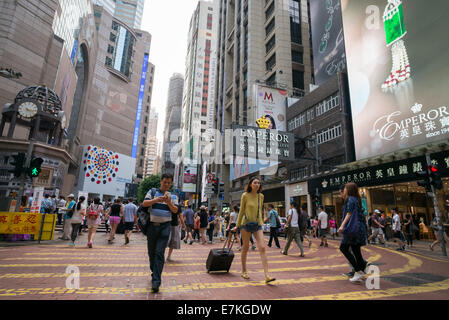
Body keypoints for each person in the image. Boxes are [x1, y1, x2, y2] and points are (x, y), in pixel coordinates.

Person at [231, 176, 275, 284]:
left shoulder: (261, 196)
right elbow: (241, 211)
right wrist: (237, 225)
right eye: (255, 182)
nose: (257, 184)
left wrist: (262, 223)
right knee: (245, 247)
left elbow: (259, 210)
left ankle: (266, 275)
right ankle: (244, 271)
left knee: (262, 248)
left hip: (257, 224)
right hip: (245, 225)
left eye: (259, 183)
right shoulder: (245, 195)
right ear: (250, 184)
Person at [141, 173, 179, 293]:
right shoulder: (152, 192)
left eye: (169, 183)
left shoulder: (173, 196)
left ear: (171, 183)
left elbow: (176, 210)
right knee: (151, 253)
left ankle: (156, 281)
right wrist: (156, 200)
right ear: (161, 182)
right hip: (152, 227)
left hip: (165, 227)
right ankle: (154, 272)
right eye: (165, 182)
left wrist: (168, 202)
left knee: (159, 252)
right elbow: (144, 204)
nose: (166, 184)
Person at [338, 182, 368, 283]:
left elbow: (349, 213)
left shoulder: (350, 199)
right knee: (356, 251)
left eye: (345, 188)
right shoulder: (355, 199)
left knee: (344, 248)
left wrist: (342, 225)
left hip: (353, 228)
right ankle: (361, 272)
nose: (344, 190)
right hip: (358, 228)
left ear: (349, 190)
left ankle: (358, 271)